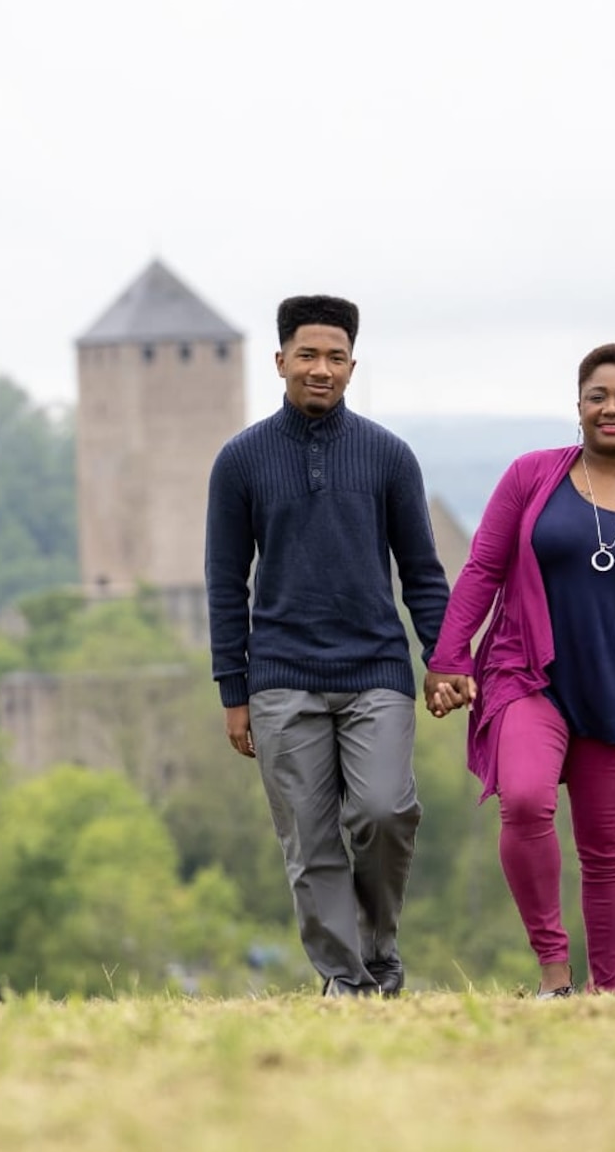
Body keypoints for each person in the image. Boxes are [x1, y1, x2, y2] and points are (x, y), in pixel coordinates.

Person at [425, 343, 615, 997]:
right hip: (527, 673)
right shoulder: (532, 476)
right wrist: (450, 655)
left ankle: (606, 995)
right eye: (597, 396)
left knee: (607, 852)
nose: (610, 408)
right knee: (526, 798)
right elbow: (481, 569)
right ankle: (555, 972)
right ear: (579, 406)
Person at [204, 294, 451, 997]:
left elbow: (422, 572)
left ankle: (376, 953)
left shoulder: (389, 457)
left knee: (384, 811)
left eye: (335, 357)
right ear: (279, 360)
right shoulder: (240, 461)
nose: (321, 368)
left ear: (351, 364)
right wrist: (234, 691)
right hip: (280, 677)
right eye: (307, 355)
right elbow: (225, 583)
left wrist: (443, 657)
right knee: (309, 843)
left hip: (376, 669)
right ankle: (348, 982)